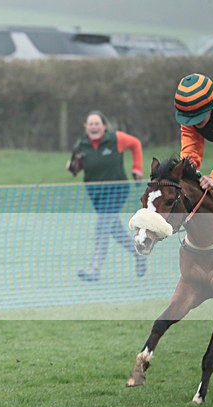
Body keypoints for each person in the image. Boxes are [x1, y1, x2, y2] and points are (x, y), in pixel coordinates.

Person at [68, 110, 146, 282]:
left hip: (117, 190)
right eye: (91, 124)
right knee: (114, 230)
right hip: (96, 194)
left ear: (104, 126)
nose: (94, 127)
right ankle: (139, 254)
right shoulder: (81, 145)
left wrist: (137, 168)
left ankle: (94, 269)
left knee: (102, 227)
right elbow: (77, 168)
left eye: (97, 123)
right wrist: (72, 165)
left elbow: (135, 144)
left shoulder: (116, 139)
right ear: (85, 127)